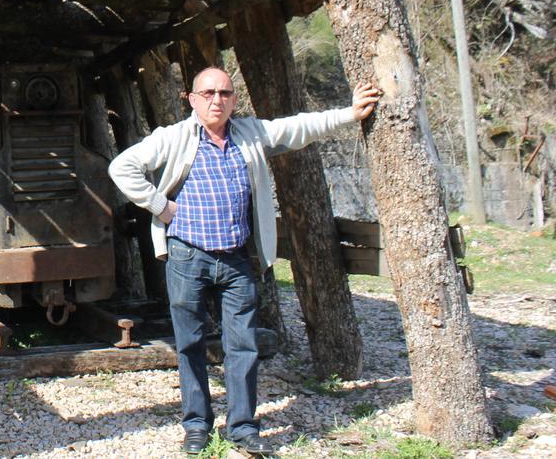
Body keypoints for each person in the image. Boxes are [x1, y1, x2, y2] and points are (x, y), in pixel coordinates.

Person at [108, 66, 381, 456]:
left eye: (225, 93)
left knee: (244, 346)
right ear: (192, 99)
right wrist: (160, 206)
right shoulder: (172, 138)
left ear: (234, 99)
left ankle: (242, 427)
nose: (217, 100)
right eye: (208, 93)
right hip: (188, 257)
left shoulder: (250, 133)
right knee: (190, 345)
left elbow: (298, 128)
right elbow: (121, 167)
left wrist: (349, 114)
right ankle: (197, 427)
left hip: (236, 260)